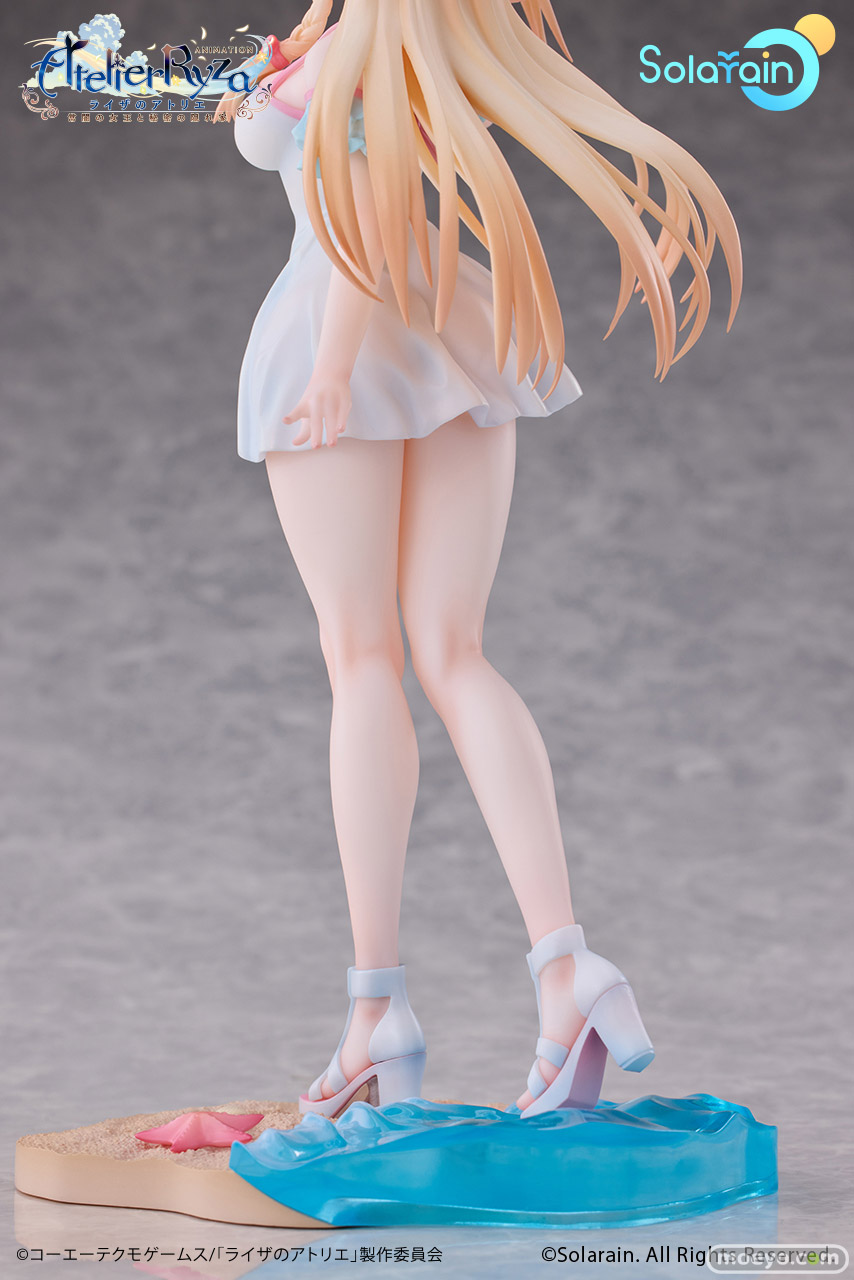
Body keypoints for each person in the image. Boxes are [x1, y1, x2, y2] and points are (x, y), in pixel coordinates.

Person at [218, 0, 741, 1120]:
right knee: (455, 653)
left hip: (341, 321)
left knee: (363, 658)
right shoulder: (399, 42)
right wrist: (268, 74)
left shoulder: (369, 46)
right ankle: (567, 969)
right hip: (452, 321)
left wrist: (332, 367)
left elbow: (356, 215)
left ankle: (375, 1009)